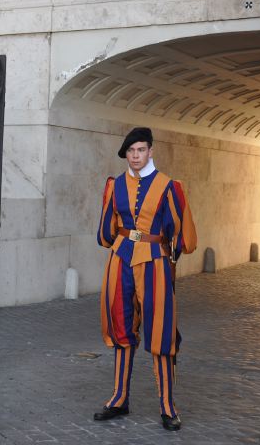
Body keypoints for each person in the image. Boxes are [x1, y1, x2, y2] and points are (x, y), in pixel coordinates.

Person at [94, 127, 196, 431]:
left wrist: (170, 255)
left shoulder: (169, 186)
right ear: (126, 154)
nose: (135, 156)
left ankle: (167, 406)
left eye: (140, 150)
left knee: (161, 332)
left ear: (150, 151)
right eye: (131, 151)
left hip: (155, 261)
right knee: (121, 327)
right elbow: (105, 231)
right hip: (120, 259)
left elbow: (184, 235)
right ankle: (119, 398)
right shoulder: (115, 185)